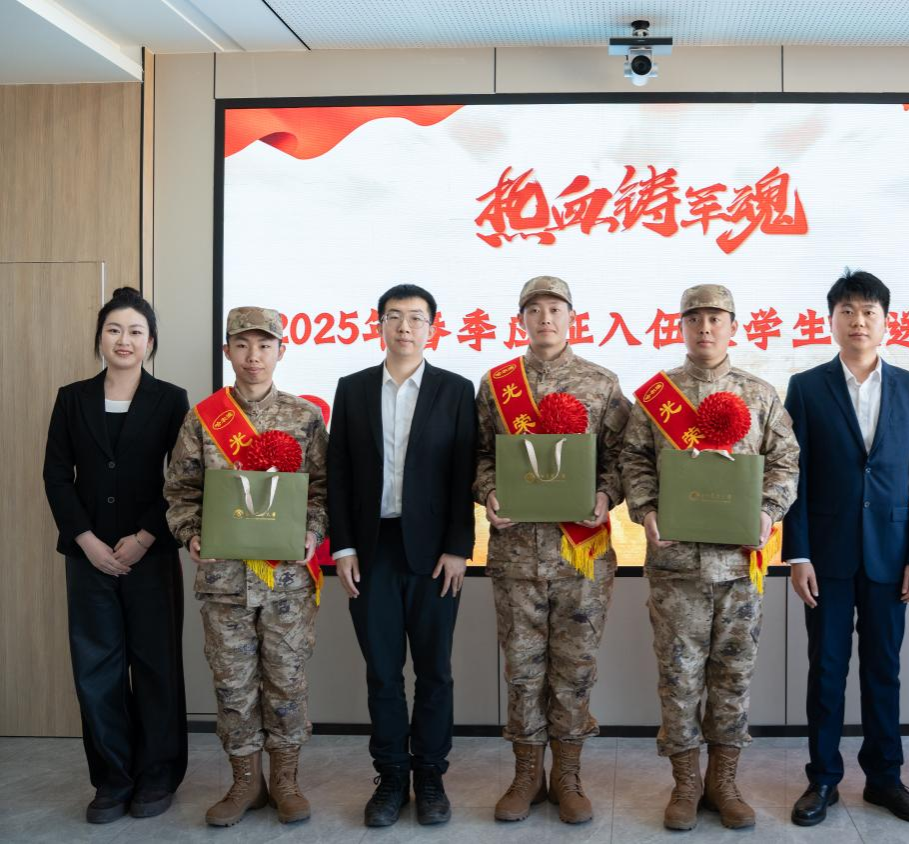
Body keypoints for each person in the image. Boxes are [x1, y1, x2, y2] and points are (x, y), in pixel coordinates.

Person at [621, 284, 799, 831]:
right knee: (678, 681)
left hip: (740, 569)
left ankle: (724, 783)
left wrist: (768, 511)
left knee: (733, 679)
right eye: (694, 318)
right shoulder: (658, 396)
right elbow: (633, 461)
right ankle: (686, 784)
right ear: (680, 327)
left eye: (716, 318)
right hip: (676, 569)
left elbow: (785, 463)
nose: (705, 328)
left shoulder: (760, 394)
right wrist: (647, 509)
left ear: (733, 326)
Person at [783, 270, 909, 827]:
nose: (858, 320)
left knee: (883, 670)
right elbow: (793, 477)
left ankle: (884, 778)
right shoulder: (806, 387)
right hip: (825, 556)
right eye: (847, 310)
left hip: (891, 556)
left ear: (886, 321)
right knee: (825, 670)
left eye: (869, 311)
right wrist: (798, 554)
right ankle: (823, 778)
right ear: (831, 320)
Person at [164, 306, 328, 827]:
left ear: (281, 350)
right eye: (242, 344)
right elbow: (180, 490)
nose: (253, 356)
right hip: (225, 580)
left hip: (286, 580)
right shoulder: (203, 417)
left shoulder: (305, 417)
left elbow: (322, 491)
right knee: (233, 684)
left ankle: (285, 781)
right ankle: (244, 783)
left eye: (264, 345)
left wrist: (311, 532)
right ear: (227, 351)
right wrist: (191, 533)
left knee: (286, 681)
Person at [477, 276, 630, 825]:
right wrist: (489, 491)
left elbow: (624, 457)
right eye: (534, 309)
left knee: (575, 669)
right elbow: (479, 456)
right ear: (520, 319)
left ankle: (567, 775)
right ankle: (526, 776)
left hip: (580, 556)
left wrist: (606, 495)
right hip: (517, 554)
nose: (545, 318)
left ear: (572, 317)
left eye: (555, 309)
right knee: (522, 671)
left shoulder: (601, 383)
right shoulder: (496, 385)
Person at [327, 284, 476, 828]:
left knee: (435, 670)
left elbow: (463, 476)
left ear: (433, 328)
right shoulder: (353, 389)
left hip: (435, 554)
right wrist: (342, 545)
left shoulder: (455, 390)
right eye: (394, 317)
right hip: (372, 551)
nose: (405, 327)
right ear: (380, 326)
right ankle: (391, 776)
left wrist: (458, 548)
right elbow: (339, 472)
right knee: (383, 671)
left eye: (416, 318)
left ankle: (430, 775)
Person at [43, 287, 190, 824]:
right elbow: (56, 475)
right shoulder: (72, 398)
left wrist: (146, 536)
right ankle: (111, 778)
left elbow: (182, 477)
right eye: (113, 330)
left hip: (149, 553)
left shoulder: (171, 399)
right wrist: (84, 539)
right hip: (88, 556)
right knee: (96, 669)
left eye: (135, 331)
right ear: (100, 338)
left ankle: (156, 776)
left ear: (150, 342)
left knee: (155, 665)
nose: (123, 340)